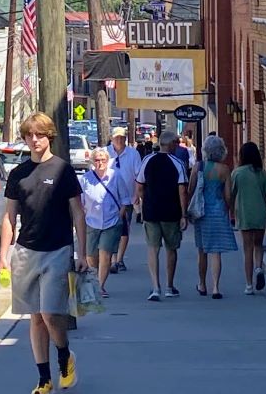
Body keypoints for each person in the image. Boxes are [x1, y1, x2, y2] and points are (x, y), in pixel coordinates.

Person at [0, 112, 87, 394]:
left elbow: (77, 213)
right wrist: (3, 255)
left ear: (49, 135)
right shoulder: (18, 174)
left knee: (50, 312)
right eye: (29, 135)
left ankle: (64, 355)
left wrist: (82, 252)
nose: (34, 140)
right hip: (26, 251)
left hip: (58, 250)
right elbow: (10, 217)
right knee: (35, 317)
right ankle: (44, 380)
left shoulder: (63, 170)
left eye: (39, 134)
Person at [135, 129, 188, 301]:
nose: (178, 145)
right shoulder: (177, 163)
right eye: (176, 142)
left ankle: (155, 287)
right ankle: (169, 286)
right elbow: (182, 191)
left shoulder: (147, 160)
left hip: (151, 211)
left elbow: (140, 186)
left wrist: (146, 202)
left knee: (153, 248)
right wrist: (184, 215)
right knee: (171, 249)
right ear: (171, 144)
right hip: (171, 212)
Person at [188, 135, 237, 299]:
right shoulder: (224, 170)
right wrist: (230, 210)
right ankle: (216, 287)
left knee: (202, 250)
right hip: (218, 211)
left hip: (201, 212)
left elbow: (191, 189)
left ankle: (202, 284)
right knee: (216, 251)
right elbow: (228, 195)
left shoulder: (198, 166)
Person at [81, 147, 132, 297]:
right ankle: (95, 279)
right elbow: (80, 202)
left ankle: (100, 286)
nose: (100, 163)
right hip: (92, 222)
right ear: (92, 162)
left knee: (105, 254)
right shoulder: (85, 179)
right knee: (91, 256)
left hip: (111, 222)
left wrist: (119, 216)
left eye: (103, 160)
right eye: (97, 160)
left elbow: (125, 200)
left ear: (108, 161)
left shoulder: (115, 176)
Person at [228, 141, 266, 295]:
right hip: (260, 213)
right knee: (258, 245)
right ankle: (259, 268)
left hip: (245, 213)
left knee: (247, 249)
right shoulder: (262, 174)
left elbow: (231, 195)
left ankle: (249, 285)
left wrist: (230, 212)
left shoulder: (237, 173)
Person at [108, 126, 142, 273]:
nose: (119, 140)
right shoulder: (105, 153)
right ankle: (112, 259)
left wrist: (136, 195)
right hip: (108, 198)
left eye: (122, 137)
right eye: (117, 137)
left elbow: (138, 175)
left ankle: (119, 259)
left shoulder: (133, 154)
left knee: (124, 229)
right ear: (111, 138)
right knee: (110, 229)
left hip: (126, 198)